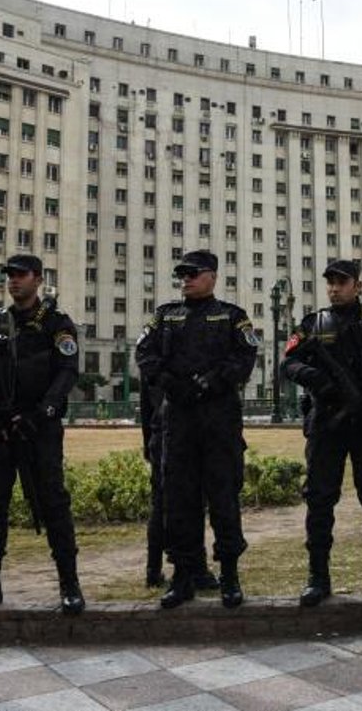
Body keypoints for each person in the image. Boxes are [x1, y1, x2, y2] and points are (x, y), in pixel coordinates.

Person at [0, 254, 84, 616]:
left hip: (38, 429)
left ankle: (69, 584)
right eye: (9, 275)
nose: (13, 281)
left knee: (53, 503)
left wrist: (42, 413)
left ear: (38, 279)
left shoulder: (57, 323)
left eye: (21, 275)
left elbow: (67, 372)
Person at [281, 259, 362, 606]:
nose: (334, 288)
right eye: (330, 283)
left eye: (342, 282)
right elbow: (289, 361)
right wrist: (316, 379)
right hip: (327, 422)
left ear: (357, 284)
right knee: (320, 500)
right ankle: (318, 578)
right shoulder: (314, 324)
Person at [135, 250, 258, 609]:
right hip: (179, 422)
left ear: (212, 276)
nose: (185, 279)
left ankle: (230, 576)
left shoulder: (233, 317)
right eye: (182, 274)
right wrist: (170, 383)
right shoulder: (165, 316)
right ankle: (183, 575)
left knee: (223, 500)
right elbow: (145, 354)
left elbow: (244, 360)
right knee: (178, 502)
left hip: (218, 421)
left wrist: (208, 383)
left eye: (193, 273)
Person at [139, 380, 218, 592]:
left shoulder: (152, 350)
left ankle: (153, 569)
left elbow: (146, 402)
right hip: (185, 431)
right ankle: (196, 568)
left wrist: (147, 440)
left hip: (160, 431)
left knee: (160, 503)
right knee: (192, 502)